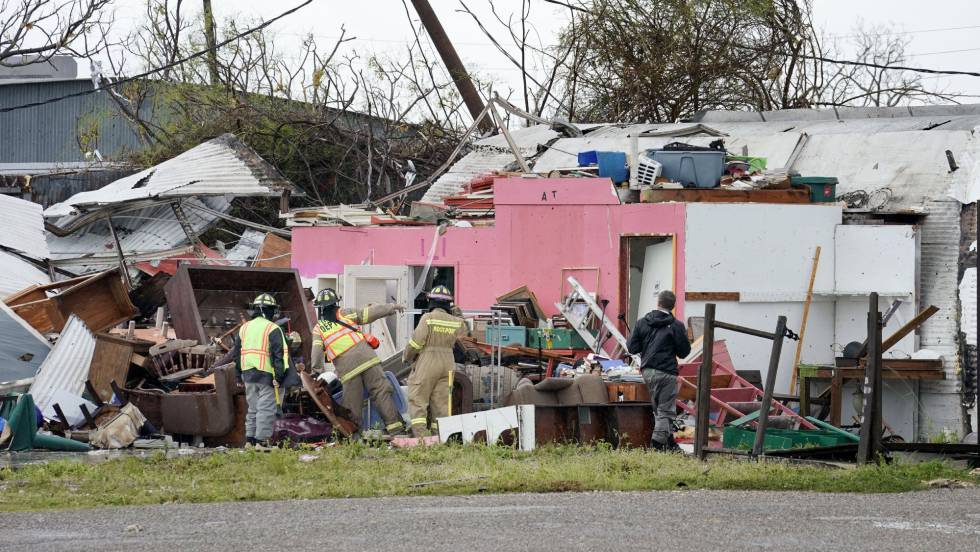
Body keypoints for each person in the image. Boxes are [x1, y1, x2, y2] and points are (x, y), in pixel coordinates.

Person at [310, 288, 407, 436]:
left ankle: (354, 437)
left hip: (348, 369)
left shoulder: (318, 329)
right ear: (336, 302)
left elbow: (316, 352)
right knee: (381, 392)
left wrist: (316, 372)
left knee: (352, 404)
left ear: (320, 308)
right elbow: (369, 313)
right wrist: (391, 307)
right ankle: (396, 430)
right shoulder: (345, 313)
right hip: (368, 359)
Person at [626, 290, 691, 451]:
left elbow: (632, 348)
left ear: (658, 303)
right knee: (665, 411)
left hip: (648, 371)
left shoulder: (642, 322)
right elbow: (684, 352)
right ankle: (655, 446)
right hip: (667, 372)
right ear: (673, 306)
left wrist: (646, 347)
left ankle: (670, 444)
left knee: (658, 410)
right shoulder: (676, 326)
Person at [402, 286, 467, 437]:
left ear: (431, 301)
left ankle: (421, 438)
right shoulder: (457, 322)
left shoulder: (428, 318)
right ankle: (440, 437)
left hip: (428, 361)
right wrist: (459, 316)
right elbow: (465, 337)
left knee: (418, 399)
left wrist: (407, 357)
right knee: (442, 403)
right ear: (448, 304)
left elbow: (416, 343)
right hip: (448, 362)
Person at [231, 293, 288, 449]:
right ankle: (262, 442)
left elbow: (237, 354)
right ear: (269, 310)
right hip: (266, 374)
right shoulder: (273, 328)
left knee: (253, 408)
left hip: (248, 374)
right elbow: (278, 355)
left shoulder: (244, 328)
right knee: (266, 409)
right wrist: (279, 376)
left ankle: (250, 440)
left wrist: (238, 375)